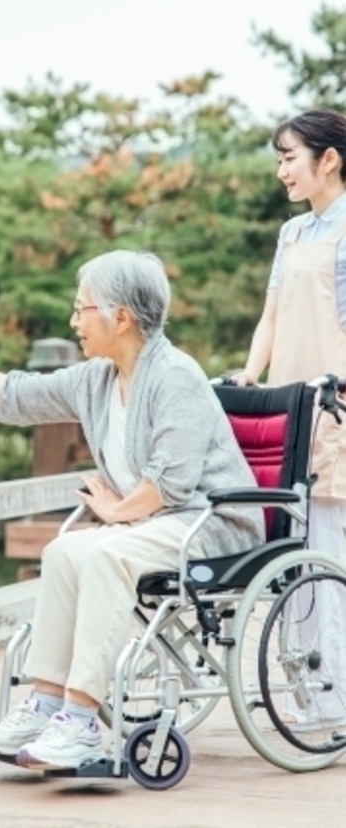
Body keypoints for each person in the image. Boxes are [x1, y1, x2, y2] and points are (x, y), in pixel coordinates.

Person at [0, 250, 264, 770]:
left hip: (210, 525)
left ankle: (79, 725)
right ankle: (47, 704)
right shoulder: (97, 378)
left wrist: (117, 511)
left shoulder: (175, 376)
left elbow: (170, 485)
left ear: (120, 317)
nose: (74, 321)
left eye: (83, 309)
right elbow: (15, 394)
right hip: (154, 523)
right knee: (64, 552)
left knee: (105, 556)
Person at [236, 109, 346, 726]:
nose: (281, 171)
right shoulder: (292, 234)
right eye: (279, 159)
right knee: (295, 550)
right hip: (290, 406)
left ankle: (333, 696)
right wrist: (252, 373)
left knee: (326, 548)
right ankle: (309, 688)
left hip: (335, 408)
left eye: (289, 158)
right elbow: (271, 317)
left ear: (327, 159)